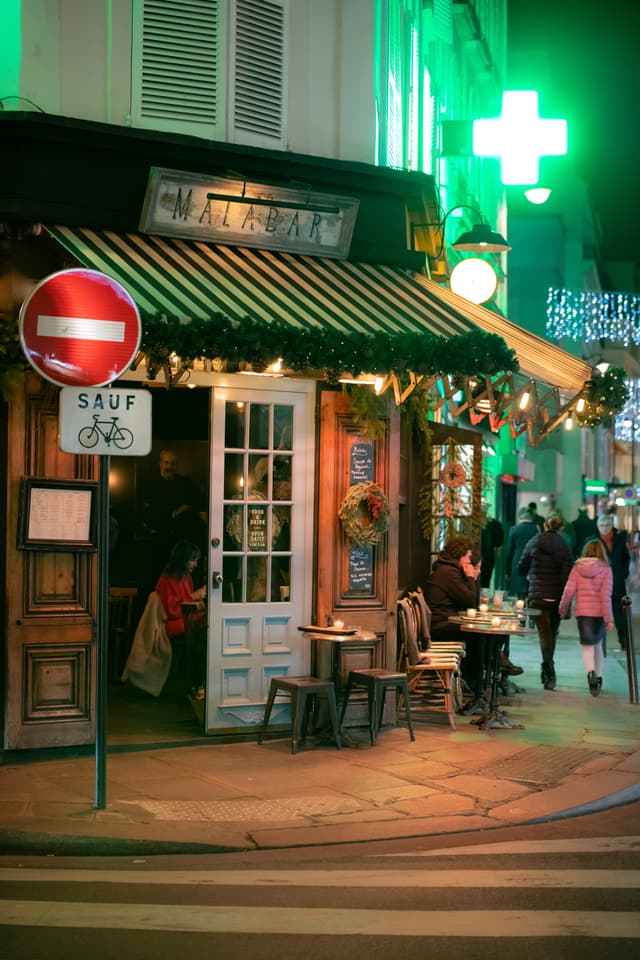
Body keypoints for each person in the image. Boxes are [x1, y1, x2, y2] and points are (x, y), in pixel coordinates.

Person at [518, 511, 572, 690]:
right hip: (556, 597)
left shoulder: (534, 541)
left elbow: (521, 566)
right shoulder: (564, 544)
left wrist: (530, 572)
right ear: (560, 528)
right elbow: (568, 573)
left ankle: (547, 667)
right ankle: (549, 668)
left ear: (546, 525)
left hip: (538, 596)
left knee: (544, 633)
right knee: (552, 633)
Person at [559, 539, 613, 697]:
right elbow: (605, 596)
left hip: (583, 613)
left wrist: (562, 610)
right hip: (599, 613)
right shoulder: (606, 570)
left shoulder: (577, 568)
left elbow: (568, 591)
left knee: (587, 646)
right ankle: (599, 677)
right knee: (598, 645)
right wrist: (608, 618)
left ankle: (590, 673)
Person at [155, 540, 206, 694]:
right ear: (182, 559)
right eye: (193, 560)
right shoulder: (167, 580)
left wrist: (197, 597)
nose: (195, 564)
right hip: (175, 623)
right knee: (206, 632)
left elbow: (186, 602)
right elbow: (172, 611)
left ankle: (200, 680)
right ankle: (198, 680)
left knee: (209, 626)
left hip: (186, 619)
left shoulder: (186, 577)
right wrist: (194, 596)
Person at [595, 513, 631, 651]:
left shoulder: (619, 539)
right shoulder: (594, 540)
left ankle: (624, 642)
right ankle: (598, 644)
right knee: (599, 615)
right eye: (602, 525)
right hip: (600, 584)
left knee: (620, 615)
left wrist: (623, 573)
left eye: (607, 525)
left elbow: (626, 558)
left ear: (611, 525)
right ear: (598, 526)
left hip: (617, 582)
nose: (604, 528)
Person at [505, 505, 538, 599]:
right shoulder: (536, 529)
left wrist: (507, 571)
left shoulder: (514, 529)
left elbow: (509, 551)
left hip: (517, 563)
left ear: (520, 516)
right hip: (533, 563)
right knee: (531, 591)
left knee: (520, 595)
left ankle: (521, 609)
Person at [480, 510, 504, 590]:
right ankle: (483, 600)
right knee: (486, 581)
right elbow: (499, 542)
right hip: (488, 556)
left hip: (472, 555)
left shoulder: (470, 522)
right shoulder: (494, 523)